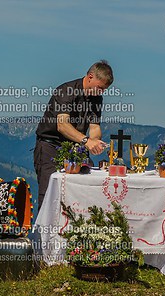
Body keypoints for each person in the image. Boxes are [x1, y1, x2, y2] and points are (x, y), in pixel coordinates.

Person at [33, 60, 113, 208]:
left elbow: (95, 127)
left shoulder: (97, 98)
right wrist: (87, 141)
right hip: (51, 146)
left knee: (79, 195)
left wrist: (95, 143)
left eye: (104, 90)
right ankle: (46, 230)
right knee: (49, 196)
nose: (101, 92)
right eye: (99, 87)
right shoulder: (66, 91)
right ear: (90, 77)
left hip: (75, 148)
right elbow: (62, 125)